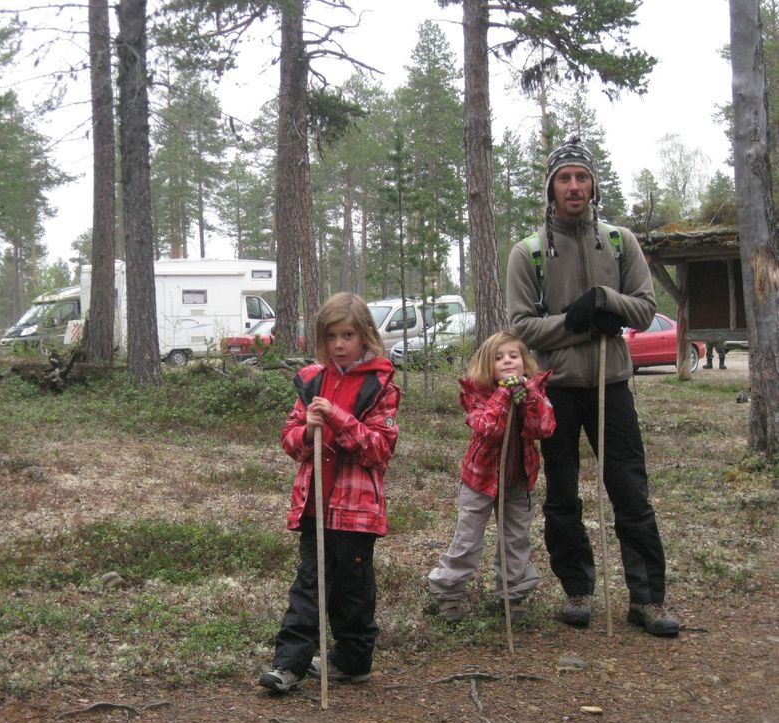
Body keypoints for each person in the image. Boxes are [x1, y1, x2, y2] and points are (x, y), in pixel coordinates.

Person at [505, 135, 680, 638]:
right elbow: (519, 326)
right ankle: (576, 591)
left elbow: (644, 308)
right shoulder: (529, 253)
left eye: (582, 177)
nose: (575, 186)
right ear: (551, 189)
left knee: (630, 492)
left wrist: (605, 298)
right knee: (562, 493)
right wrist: (580, 321)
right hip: (555, 389)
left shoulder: (621, 241)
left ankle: (648, 599)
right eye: (565, 178)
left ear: (593, 185)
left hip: (613, 383)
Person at [259, 292, 401, 692]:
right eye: (331, 336)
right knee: (309, 584)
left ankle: (352, 660)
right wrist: (308, 430)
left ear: (366, 335)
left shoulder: (380, 384)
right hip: (315, 504)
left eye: (348, 335)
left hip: (356, 509)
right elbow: (289, 440)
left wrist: (338, 419)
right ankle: (289, 665)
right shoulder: (311, 381)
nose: (339, 344)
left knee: (353, 591)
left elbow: (379, 448)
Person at [426, 331, 556, 624]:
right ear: (487, 365)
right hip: (480, 480)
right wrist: (504, 394)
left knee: (515, 539)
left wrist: (527, 396)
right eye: (499, 358)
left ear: (525, 361)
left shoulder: (532, 391)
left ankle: (514, 595)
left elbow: (543, 428)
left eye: (513, 356)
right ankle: (448, 593)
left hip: (518, 479)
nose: (507, 361)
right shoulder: (475, 393)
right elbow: (489, 427)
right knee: (468, 538)